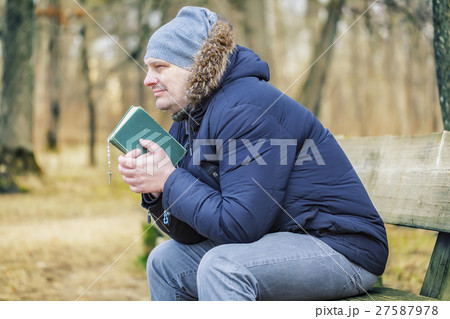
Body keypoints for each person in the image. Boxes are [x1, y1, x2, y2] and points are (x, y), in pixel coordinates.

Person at [118, 6, 388, 301]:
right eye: (148, 68)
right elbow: (190, 234)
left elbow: (238, 225)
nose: (148, 79)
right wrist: (157, 192)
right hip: (277, 241)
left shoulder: (246, 108)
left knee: (223, 268)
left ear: (193, 66)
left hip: (341, 248)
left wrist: (170, 180)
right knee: (164, 263)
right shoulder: (188, 120)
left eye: (159, 67)